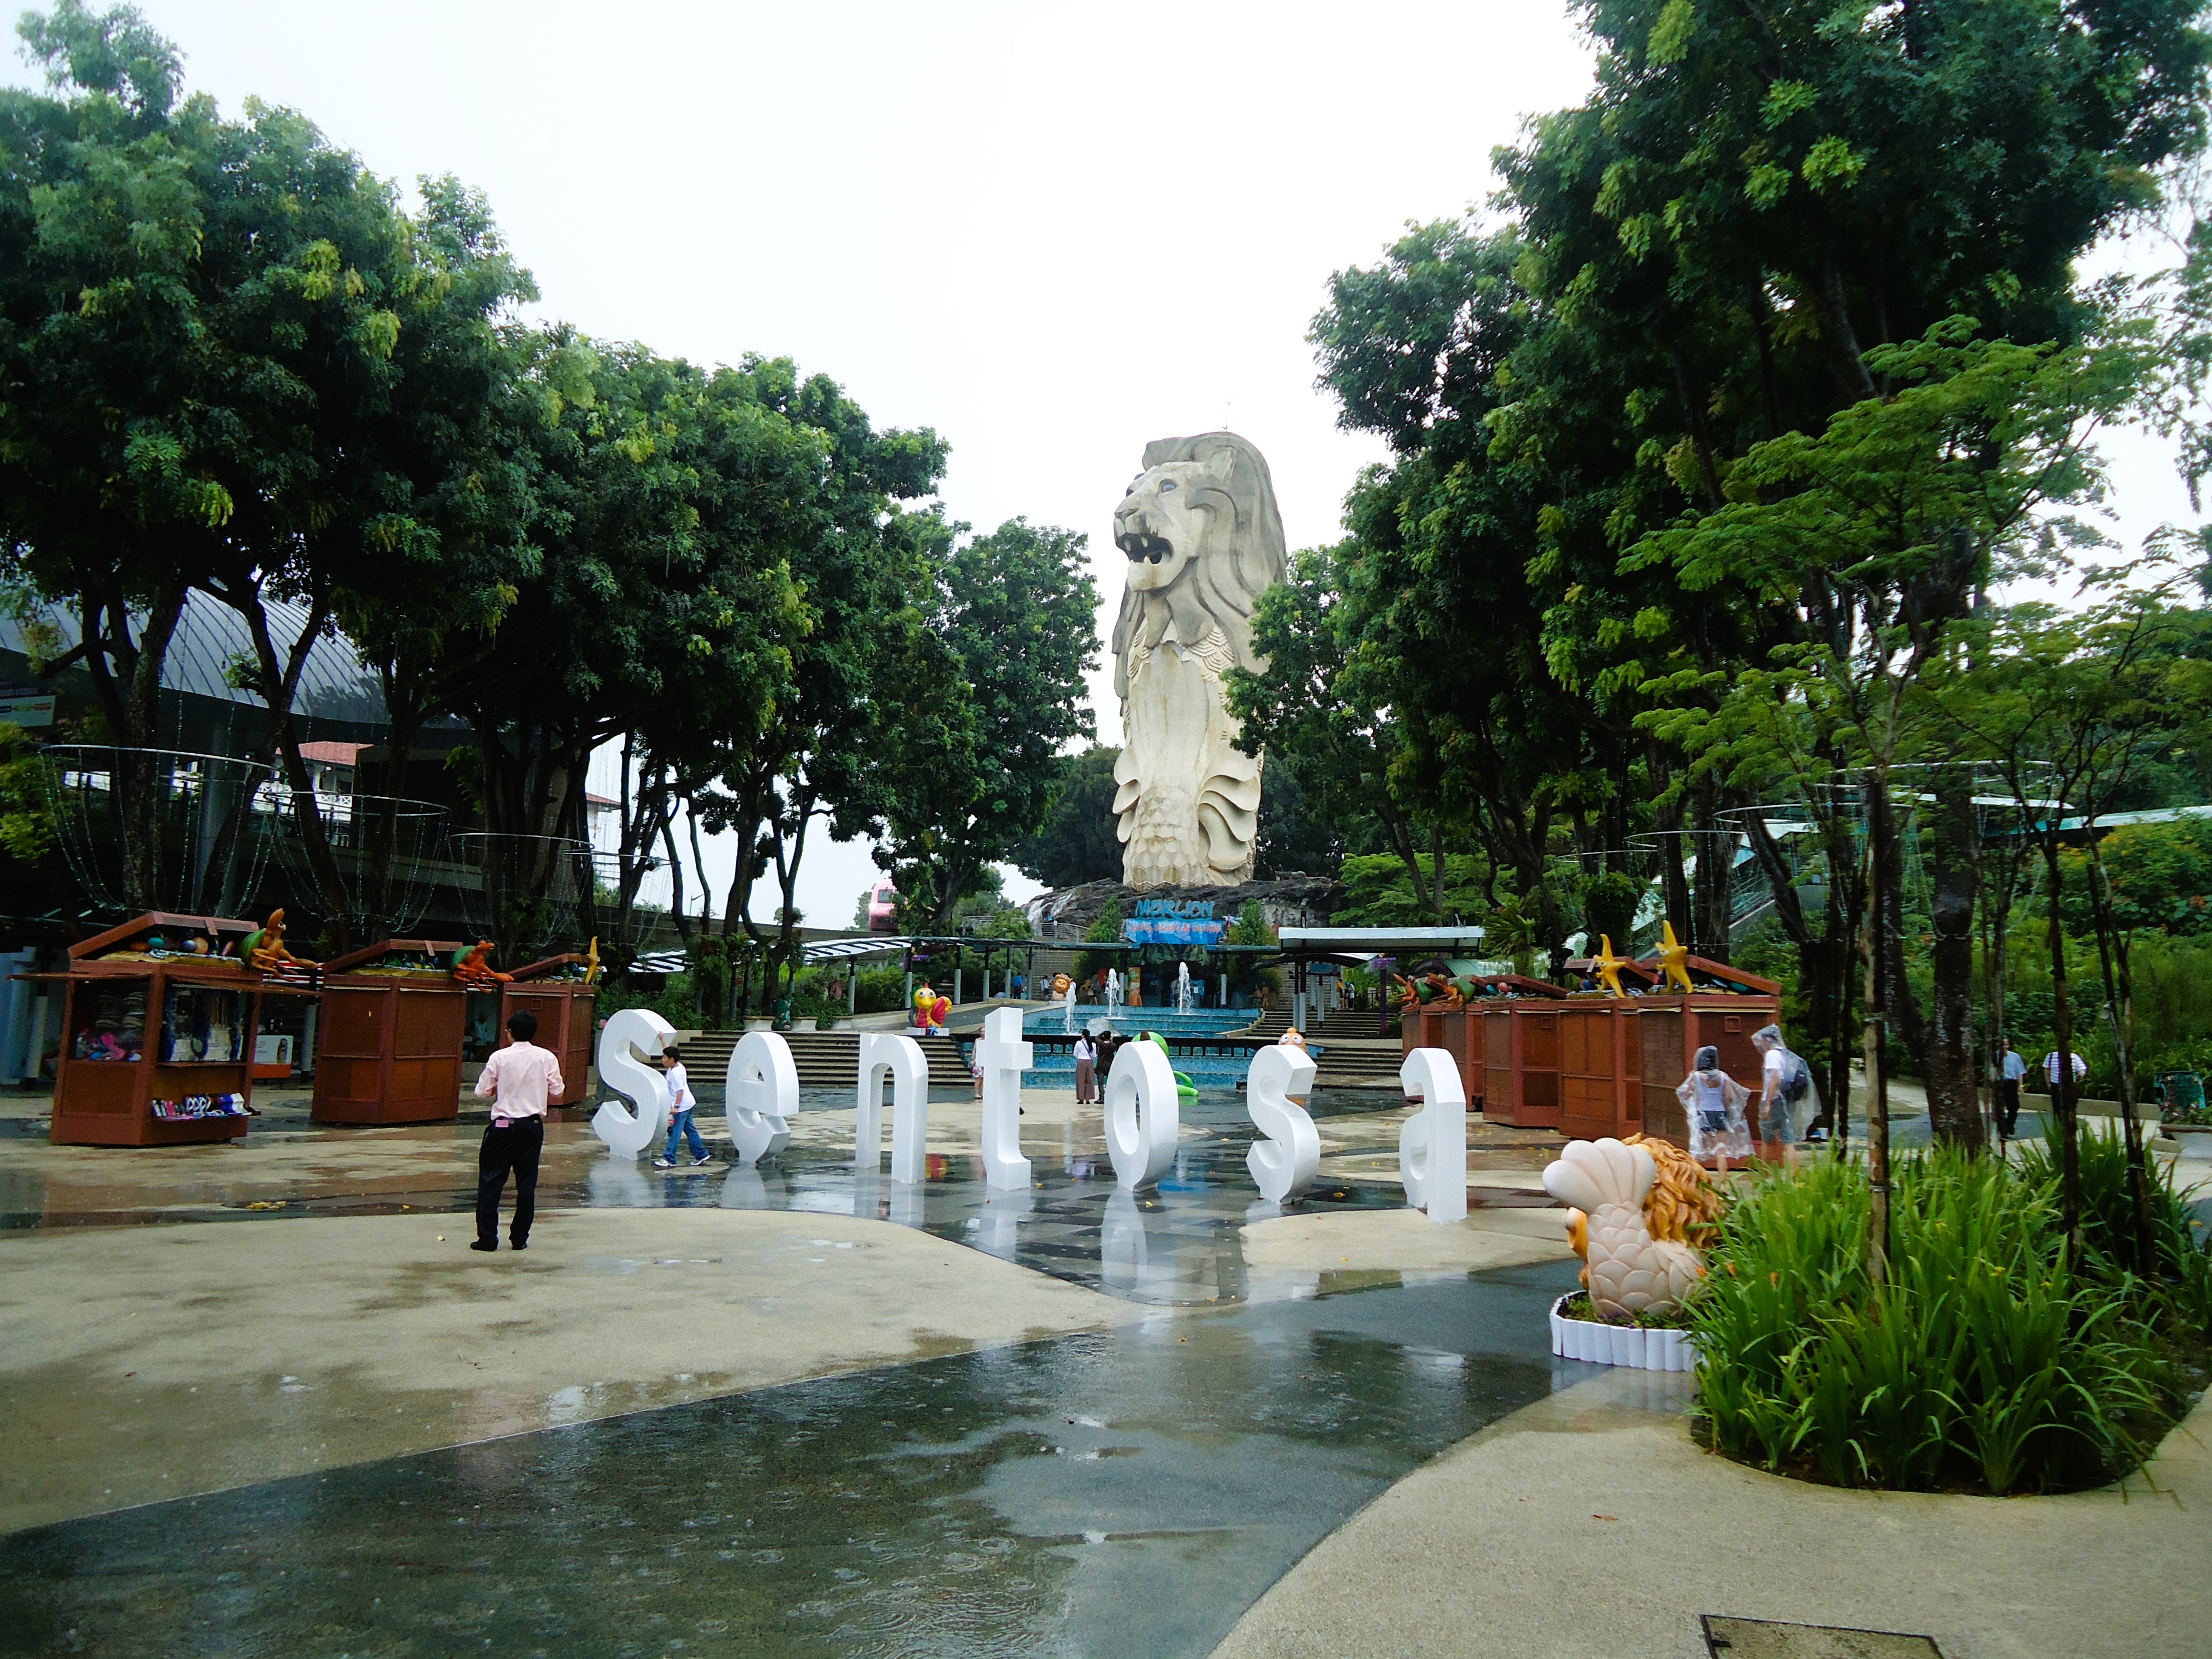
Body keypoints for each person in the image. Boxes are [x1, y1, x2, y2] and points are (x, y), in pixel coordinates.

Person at [471, 1009, 565, 1251]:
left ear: (509, 1033)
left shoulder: (499, 1057)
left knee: (491, 1181)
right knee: (526, 1184)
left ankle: (488, 1238)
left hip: (503, 1125)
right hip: (532, 1126)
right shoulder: (546, 1058)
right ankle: (519, 1238)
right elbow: (557, 1090)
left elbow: (482, 1091)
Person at [1675, 1045, 1750, 1168]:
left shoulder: (1696, 1076)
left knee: (1699, 1149)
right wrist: (1725, 1107)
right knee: (1721, 1151)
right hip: (1720, 1114)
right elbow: (1730, 1097)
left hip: (1703, 1114)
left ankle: (1698, 1179)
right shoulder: (1723, 1076)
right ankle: (1723, 1183)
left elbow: (1687, 1093)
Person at [1751, 1023, 1817, 1156]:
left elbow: (1774, 1079)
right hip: (1786, 1100)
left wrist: (1767, 1104)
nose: (1761, 1045)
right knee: (1789, 1140)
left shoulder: (1772, 1055)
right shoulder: (1786, 1055)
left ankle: (1765, 1173)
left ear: (1769, 1040)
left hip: (1774, 1100)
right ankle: (1794, 1175)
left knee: (1767, 1139)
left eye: (1762, 1040)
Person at [652, 1042, 711, 1169]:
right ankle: (701, 1155)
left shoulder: (675, 1073)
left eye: (664, 1058)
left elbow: (680, 1091)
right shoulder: (677, 1066)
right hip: (689, 1104)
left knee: (676, 1132)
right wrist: (662, 1040)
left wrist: (676, 1107)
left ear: (671, 1060)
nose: (663, 1060)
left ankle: (670, 1158)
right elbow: (668, 1051)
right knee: (690, 1130)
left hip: (683, 1106)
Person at [1997, 1044, 2027, 1141]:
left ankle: (2009, 1124)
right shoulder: (1995, 1056)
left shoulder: (2015, 1056)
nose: (2004, 1047)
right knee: (1999, 1107)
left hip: (2011, 1083)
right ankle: (2002, 1131)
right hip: (1999, 1083)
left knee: (2014, 1107)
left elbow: (2020, 1072)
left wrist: (2021, 1085)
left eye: (2005, 1044)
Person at [1072, 1030, 1097, 1104]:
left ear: (1083, 1035)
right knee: (1090, 1080)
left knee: (1081, 1080)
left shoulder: (1079, 1043)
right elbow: (1094, 1055)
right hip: (1090, 1062)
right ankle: (1088, 1099)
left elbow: (1075, 1054)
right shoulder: (1093, 1044)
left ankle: (1081, 1098)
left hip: (1081, 1062)